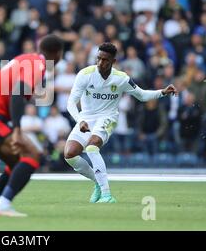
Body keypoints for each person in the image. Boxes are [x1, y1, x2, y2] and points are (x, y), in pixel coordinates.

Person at [64, 42, 177, 203]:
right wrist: (80, 120)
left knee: (91, 147)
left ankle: (106, 195)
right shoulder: (85, 74)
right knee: (69, 154)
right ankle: (97, 182)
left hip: (109, 118)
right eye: (99, 59)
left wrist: (162, 92)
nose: (101, 63)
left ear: (113, 61)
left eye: (105, 60)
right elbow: (71, 102)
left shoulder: (121, 79)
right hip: (86, 118)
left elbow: (142, 95)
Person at [0, 34, 63, 217]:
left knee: (15, 161)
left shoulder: (24, 58)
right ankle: (3, 205)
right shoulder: (38, 64)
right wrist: (18, 130)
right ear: (57, 53)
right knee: (32, 155)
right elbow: (17, 94)